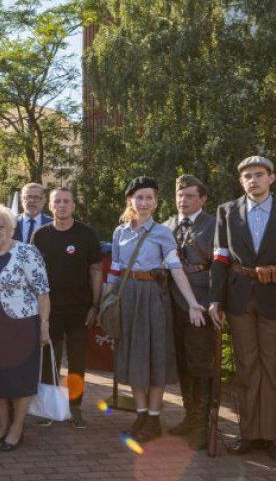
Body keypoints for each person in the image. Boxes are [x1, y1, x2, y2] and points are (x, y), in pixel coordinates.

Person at [209, 156, 276, 463]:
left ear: (271, 178)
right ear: (241, 182)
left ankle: (273, 437)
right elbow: (220, 259)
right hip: (240, 301)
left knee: (275, 370)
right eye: (247, 176)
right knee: (246, 368)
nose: (253, 180)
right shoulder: (227, 211)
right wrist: (216, 299)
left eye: (259, 175)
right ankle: (250, 433)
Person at [108, 177, 205, 444]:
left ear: (156, 201)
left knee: (155, 356)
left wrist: (192, 302)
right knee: (134, 356)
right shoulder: (120, 233)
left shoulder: (163, 232)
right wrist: (105, 301)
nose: (144, 202)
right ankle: (141, 416)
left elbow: (175, 268)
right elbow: (115, 270)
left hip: (154, 299)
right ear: (130, 200)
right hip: (128, 298)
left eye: (150, 197)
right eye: (139, 197)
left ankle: (153, 418)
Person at [0, 205, 49, 451]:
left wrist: (44, 326)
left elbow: (43, 293)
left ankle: (17, 428)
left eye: (1, 227)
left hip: (22, 325)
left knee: (20, 376)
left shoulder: (27, 252)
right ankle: (3, 425)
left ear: (11, 228)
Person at [31, 187, 103, 429]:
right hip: (49, 310)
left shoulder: (87, 234)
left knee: (76, 361)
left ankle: (74, 407)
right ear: (49, 206)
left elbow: (95, 270)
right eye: (57, 201)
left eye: (66, 201)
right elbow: (32, 275)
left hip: (79, 309)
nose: (61, 205)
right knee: (48, 359)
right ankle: (50, 407)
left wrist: (96, 304)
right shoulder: (40, 236)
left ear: (73, 205)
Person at [162, 175, 217, 449]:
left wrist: (217, 302)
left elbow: (221, 266)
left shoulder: (215, 225)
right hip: (171, 303)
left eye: (190, 196)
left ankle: (201, 425)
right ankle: (189, 416)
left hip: (201, 302)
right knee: (182, 363)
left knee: (200, 363)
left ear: (203, 199)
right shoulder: (167, 226)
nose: (183, 201)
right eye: (179, 195)